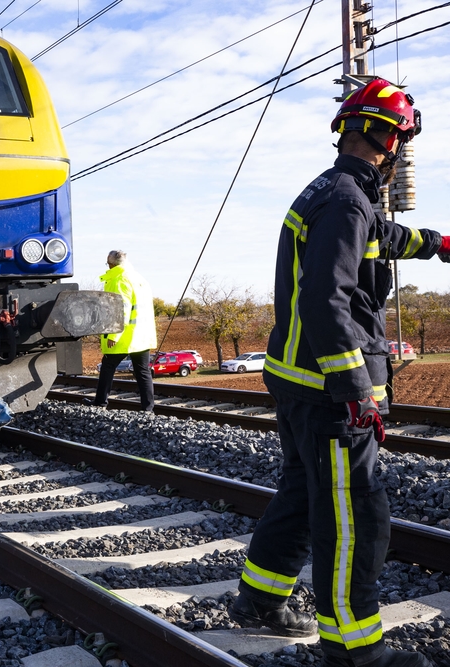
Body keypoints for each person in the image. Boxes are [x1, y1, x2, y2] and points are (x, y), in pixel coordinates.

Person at [228, 78, 445, 667]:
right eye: (401, 136)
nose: (401, 149)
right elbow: (329, 299)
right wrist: (355, 390)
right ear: (388, 138)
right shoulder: (350, 200)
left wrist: (437, 243)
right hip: (331, 390)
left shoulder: (335, 191)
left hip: (298, 379)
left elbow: (381, 239)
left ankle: (260, 597)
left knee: (302, 493)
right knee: (356, 514)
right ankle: (356, 650)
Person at [90, 250, 157, 411]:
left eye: (108, 264)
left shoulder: (119, 280)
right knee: (143, 372)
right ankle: (148, 409)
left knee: (107, 366)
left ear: (111, 264)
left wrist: (114, 334)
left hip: (125, 337)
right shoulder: (139, 278)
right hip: (141, 336)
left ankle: (100, 403)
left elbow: (121, 310)